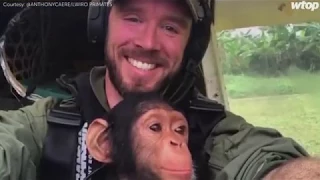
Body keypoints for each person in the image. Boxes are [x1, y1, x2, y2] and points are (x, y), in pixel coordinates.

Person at [0, 0, 313, 179]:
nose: (148, 43)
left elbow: (267, 163)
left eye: (170, 27)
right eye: (133, 17)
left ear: (192, 44)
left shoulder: (216, 132)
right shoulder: (45, 122)